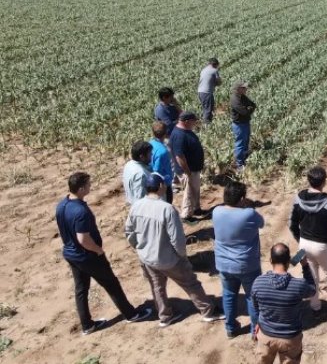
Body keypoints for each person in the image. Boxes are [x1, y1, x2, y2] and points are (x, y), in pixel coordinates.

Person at [56, 172, 152, 335]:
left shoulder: (62, 204)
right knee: (111, 284)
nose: (90, 186)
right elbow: (83, 239)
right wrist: (98, 250)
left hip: (71, 254)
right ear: (81, 189)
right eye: (88, 184)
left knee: (81, 289)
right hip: (88, 256)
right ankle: (131, 314)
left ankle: (87, 325)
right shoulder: (80, 211)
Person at [124, 173, 224, 327]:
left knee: (157, 287)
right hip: (168, 259)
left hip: (147, 258)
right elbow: (177, 239)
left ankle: (165, 317)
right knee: (190, 283)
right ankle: (208, 311)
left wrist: (139, 247)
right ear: (160, 186)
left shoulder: (136, 206)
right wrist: (182, 256)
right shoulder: (167, 209)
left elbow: (129, 232)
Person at [289, 166, 327, 312]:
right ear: (324, 182)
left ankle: (315, 308)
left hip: (305, 244)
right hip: (324, 245)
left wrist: (300, 240)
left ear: (309, 181)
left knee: (311, 277)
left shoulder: (298, 199)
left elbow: (292, 224)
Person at [212, 181, 264, 338]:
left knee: (228, 294)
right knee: (252, 297)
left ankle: (230, 328)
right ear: (242, 198)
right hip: (246, 264)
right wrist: (248, 207)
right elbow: (261, 223)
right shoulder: (249, 214)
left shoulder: (216, 211)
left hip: (223, 263)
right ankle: (255, 331)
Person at [251, 243, 316, 364]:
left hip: (265, 336)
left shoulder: (258, 282)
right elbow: (312, 289)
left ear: (271, 260)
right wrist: (305, 266)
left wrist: (257, 323)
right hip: (290, 338)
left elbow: (256, 307)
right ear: (288, 261)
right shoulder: (299, 285)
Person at [170, 111, 205, 222]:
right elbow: (179, 156)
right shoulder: (179, 135)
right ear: (186, 121)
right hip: (187, 170)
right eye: (193, 121)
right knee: (189, 193)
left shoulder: (185, 130)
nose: (195, 123)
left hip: (193, 169)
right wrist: (187, 172)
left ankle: (196, 209)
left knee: (195, 189)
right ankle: (186, 216)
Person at [230, 80, 257, 171]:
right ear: (238, 89)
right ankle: (239, 164)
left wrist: (248, 109)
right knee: (240, 144)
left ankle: (245, 158)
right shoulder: (234, 99)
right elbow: (244, 112)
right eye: (244, 88)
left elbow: (253, 105)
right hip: (239, 125)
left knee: (246, 141)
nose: (246, 89)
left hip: (245, 122)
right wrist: (248, 109)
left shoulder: (242, 96)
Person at [149, 122, 174, 204]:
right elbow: (157, 171)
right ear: (166, 133)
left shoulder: (150, 143)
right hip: (162, 185)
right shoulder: (163, 151)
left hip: (151, 182)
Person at [122, 140, 152, 205]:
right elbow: (140, 199)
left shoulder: (129, 164)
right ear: (142, 157)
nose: (152, 155)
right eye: (150, 153)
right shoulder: (140, 174)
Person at [197, 57, 222, 124]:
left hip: (200, 92)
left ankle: (206, 122)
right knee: (208, 109)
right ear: (215, 64)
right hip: (207, 92)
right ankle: (207, 124)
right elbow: (219, 82)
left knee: (205, 108)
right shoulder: (214, 70)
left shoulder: (203, 70)